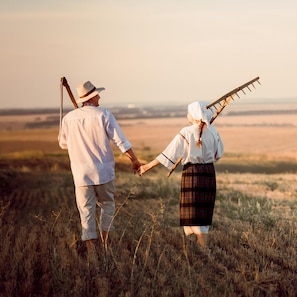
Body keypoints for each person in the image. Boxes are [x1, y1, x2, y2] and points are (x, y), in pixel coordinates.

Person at [58, 80, 142, 248]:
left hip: (81, 174)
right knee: (108, 204)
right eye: (98, 95)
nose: (100, 97)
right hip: (103, 171)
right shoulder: (103, 114)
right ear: (93, 96)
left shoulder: (68, 118)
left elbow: (63, 144)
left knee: (86, 211)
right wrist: (134, 160)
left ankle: (91, 250)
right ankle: (106, 243)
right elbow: (121, 141)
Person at [138, 101, 224, 247]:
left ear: (194, 114)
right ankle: (199, 245)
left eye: (188, 112)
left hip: (192, 173)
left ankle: (203, 247)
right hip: (209, 172)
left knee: (194, 211)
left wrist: (147, 166)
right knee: (203, 209)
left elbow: (168, 153)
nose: (187, 115)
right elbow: (218, 155)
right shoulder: (213, 131)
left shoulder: (186, 132)